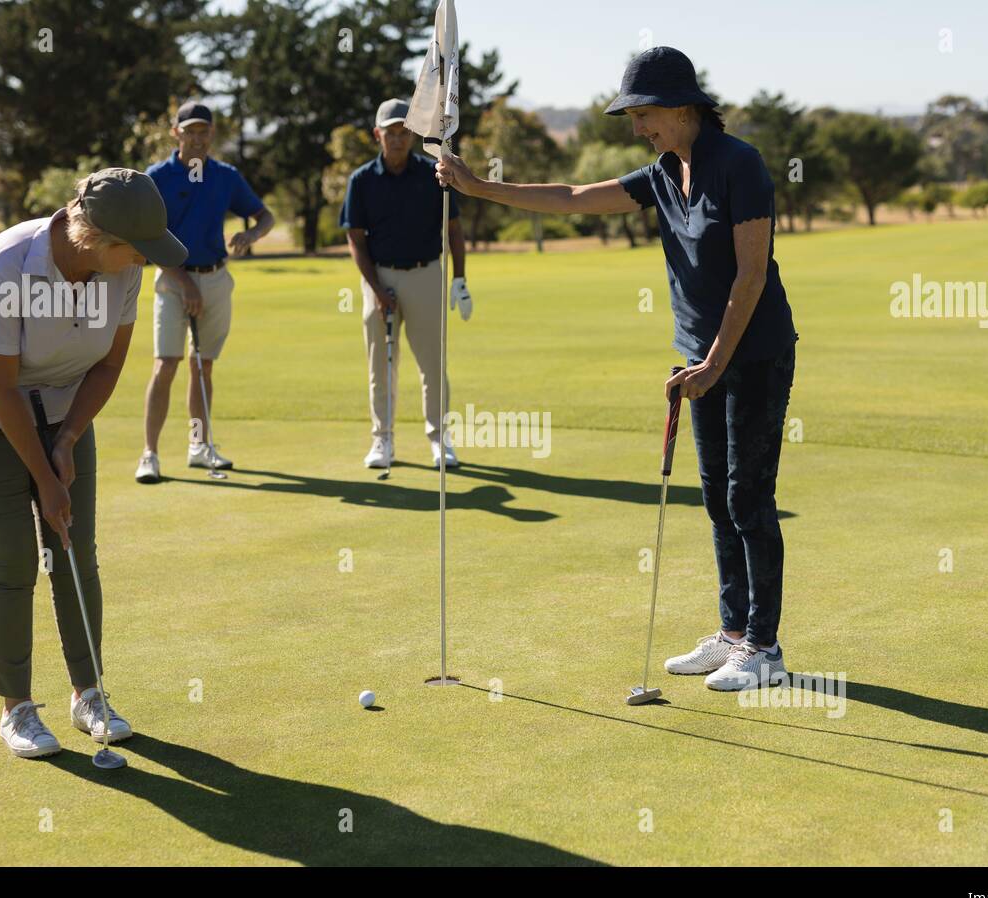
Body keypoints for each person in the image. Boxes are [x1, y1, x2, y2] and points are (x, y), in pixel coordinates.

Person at [435, 47, 798, 690]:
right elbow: (574, 195)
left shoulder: (741, 164)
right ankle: (733, 632)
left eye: (643, 113)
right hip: (699, 357)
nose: (636, 126)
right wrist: (480, 186)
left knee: (748, 495)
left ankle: (765, 647)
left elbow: (750, 272)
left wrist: (715, 363)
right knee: (716, 495)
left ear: (682, 106)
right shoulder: (663, 171)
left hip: (755, 352)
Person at [0, 168, 188, 757]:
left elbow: (109, 365)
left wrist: (68, 439)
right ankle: (17, 709)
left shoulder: (124, 271)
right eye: (137, 249)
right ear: (96, 236)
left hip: (65, 403)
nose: (145, 261)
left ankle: (88, 694)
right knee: (14, 560)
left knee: (73, 548)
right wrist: (44, 478)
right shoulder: (8, 263)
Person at [136, 100, 275, 483]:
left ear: (211, 135)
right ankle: (149, 453)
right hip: (170, 280)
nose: (197, 138)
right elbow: (147, 237)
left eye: (204, 131)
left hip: (215, 279)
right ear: (176, 133)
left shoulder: (225, 176)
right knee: (167, 363)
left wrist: (251, 234)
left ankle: (198, 447)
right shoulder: (157, 177)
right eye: (190, 131)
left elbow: (265, 215)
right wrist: (183, 282)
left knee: (203, 365)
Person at [340, 97, 473, 470]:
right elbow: (355, 239)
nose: (397, 139)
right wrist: (377, 289)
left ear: (412, 135)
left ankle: (439, 439)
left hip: (426, 273)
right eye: (390, 133)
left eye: (403, 132)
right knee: (380, 367)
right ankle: (382, 440)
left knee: (433, 365)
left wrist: (459, 279)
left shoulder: (435, 174)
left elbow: (454, 229)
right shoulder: (361, 180)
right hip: (378, 276)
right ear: (377, 135)